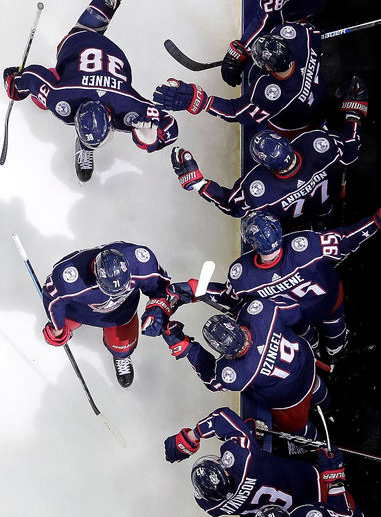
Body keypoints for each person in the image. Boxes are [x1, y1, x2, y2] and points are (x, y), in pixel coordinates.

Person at [3, 0, 178, 182]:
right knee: (49, 90)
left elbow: (32, 78)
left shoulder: (123, 106)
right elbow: (33, 79)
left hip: (94, 52)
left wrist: (16, 85)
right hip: (91, 51)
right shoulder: (69, 100)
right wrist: (17, 84)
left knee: (55, 81)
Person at [175, 208, 381, 361]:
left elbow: (229, 299)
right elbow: (347, 239)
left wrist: (198, 288)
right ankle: (336, 353)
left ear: (252, 244)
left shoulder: (242, 275)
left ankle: (316, 350)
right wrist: (375, 221)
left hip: (294, 317)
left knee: (306, 337)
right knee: (335, 330)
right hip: (327, 299)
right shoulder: (306, 245)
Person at [170, 78, 366, 225]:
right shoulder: (316, 141)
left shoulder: (257, 189)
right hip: (327, 202)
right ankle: (334, 210)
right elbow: (350, 150)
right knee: (329, 205)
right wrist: (354, 113)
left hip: (295, 222)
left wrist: (197, 183)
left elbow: (231, 205)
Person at [161, 299, 329, 436]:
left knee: (297, 428)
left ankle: (316, 442)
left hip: (290, 399)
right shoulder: (261, 312)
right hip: (306, 362)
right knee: (316, 386)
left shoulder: (239, 373)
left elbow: (212, 381)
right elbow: (294, 314)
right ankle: (328, 409)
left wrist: (187, 347)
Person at [153, 21, 327, 137]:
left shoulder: (270, 94)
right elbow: (315, 37)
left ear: (268, 68)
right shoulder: (300, 37)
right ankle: (323, 120)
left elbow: (234, 111)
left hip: (292, 124)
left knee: (265, 140)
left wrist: (201, 101)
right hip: (318, 94)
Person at [41, 241, 176, 387]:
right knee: (60, 326)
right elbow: (53, 298)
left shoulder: (141, 263)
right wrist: (57, 327)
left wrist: (156, 309)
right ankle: (65, 326)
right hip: (79, 310)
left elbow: (161, 288)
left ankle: (121, 356)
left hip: (122, 313)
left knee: (123, 347)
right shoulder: (70, 279)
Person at [164, 405, 324, 515]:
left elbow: (205, 497)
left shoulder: (211, 507)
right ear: (226, 474)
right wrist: (191, 437)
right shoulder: (243, 458)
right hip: (312, 484)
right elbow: (222, 417)